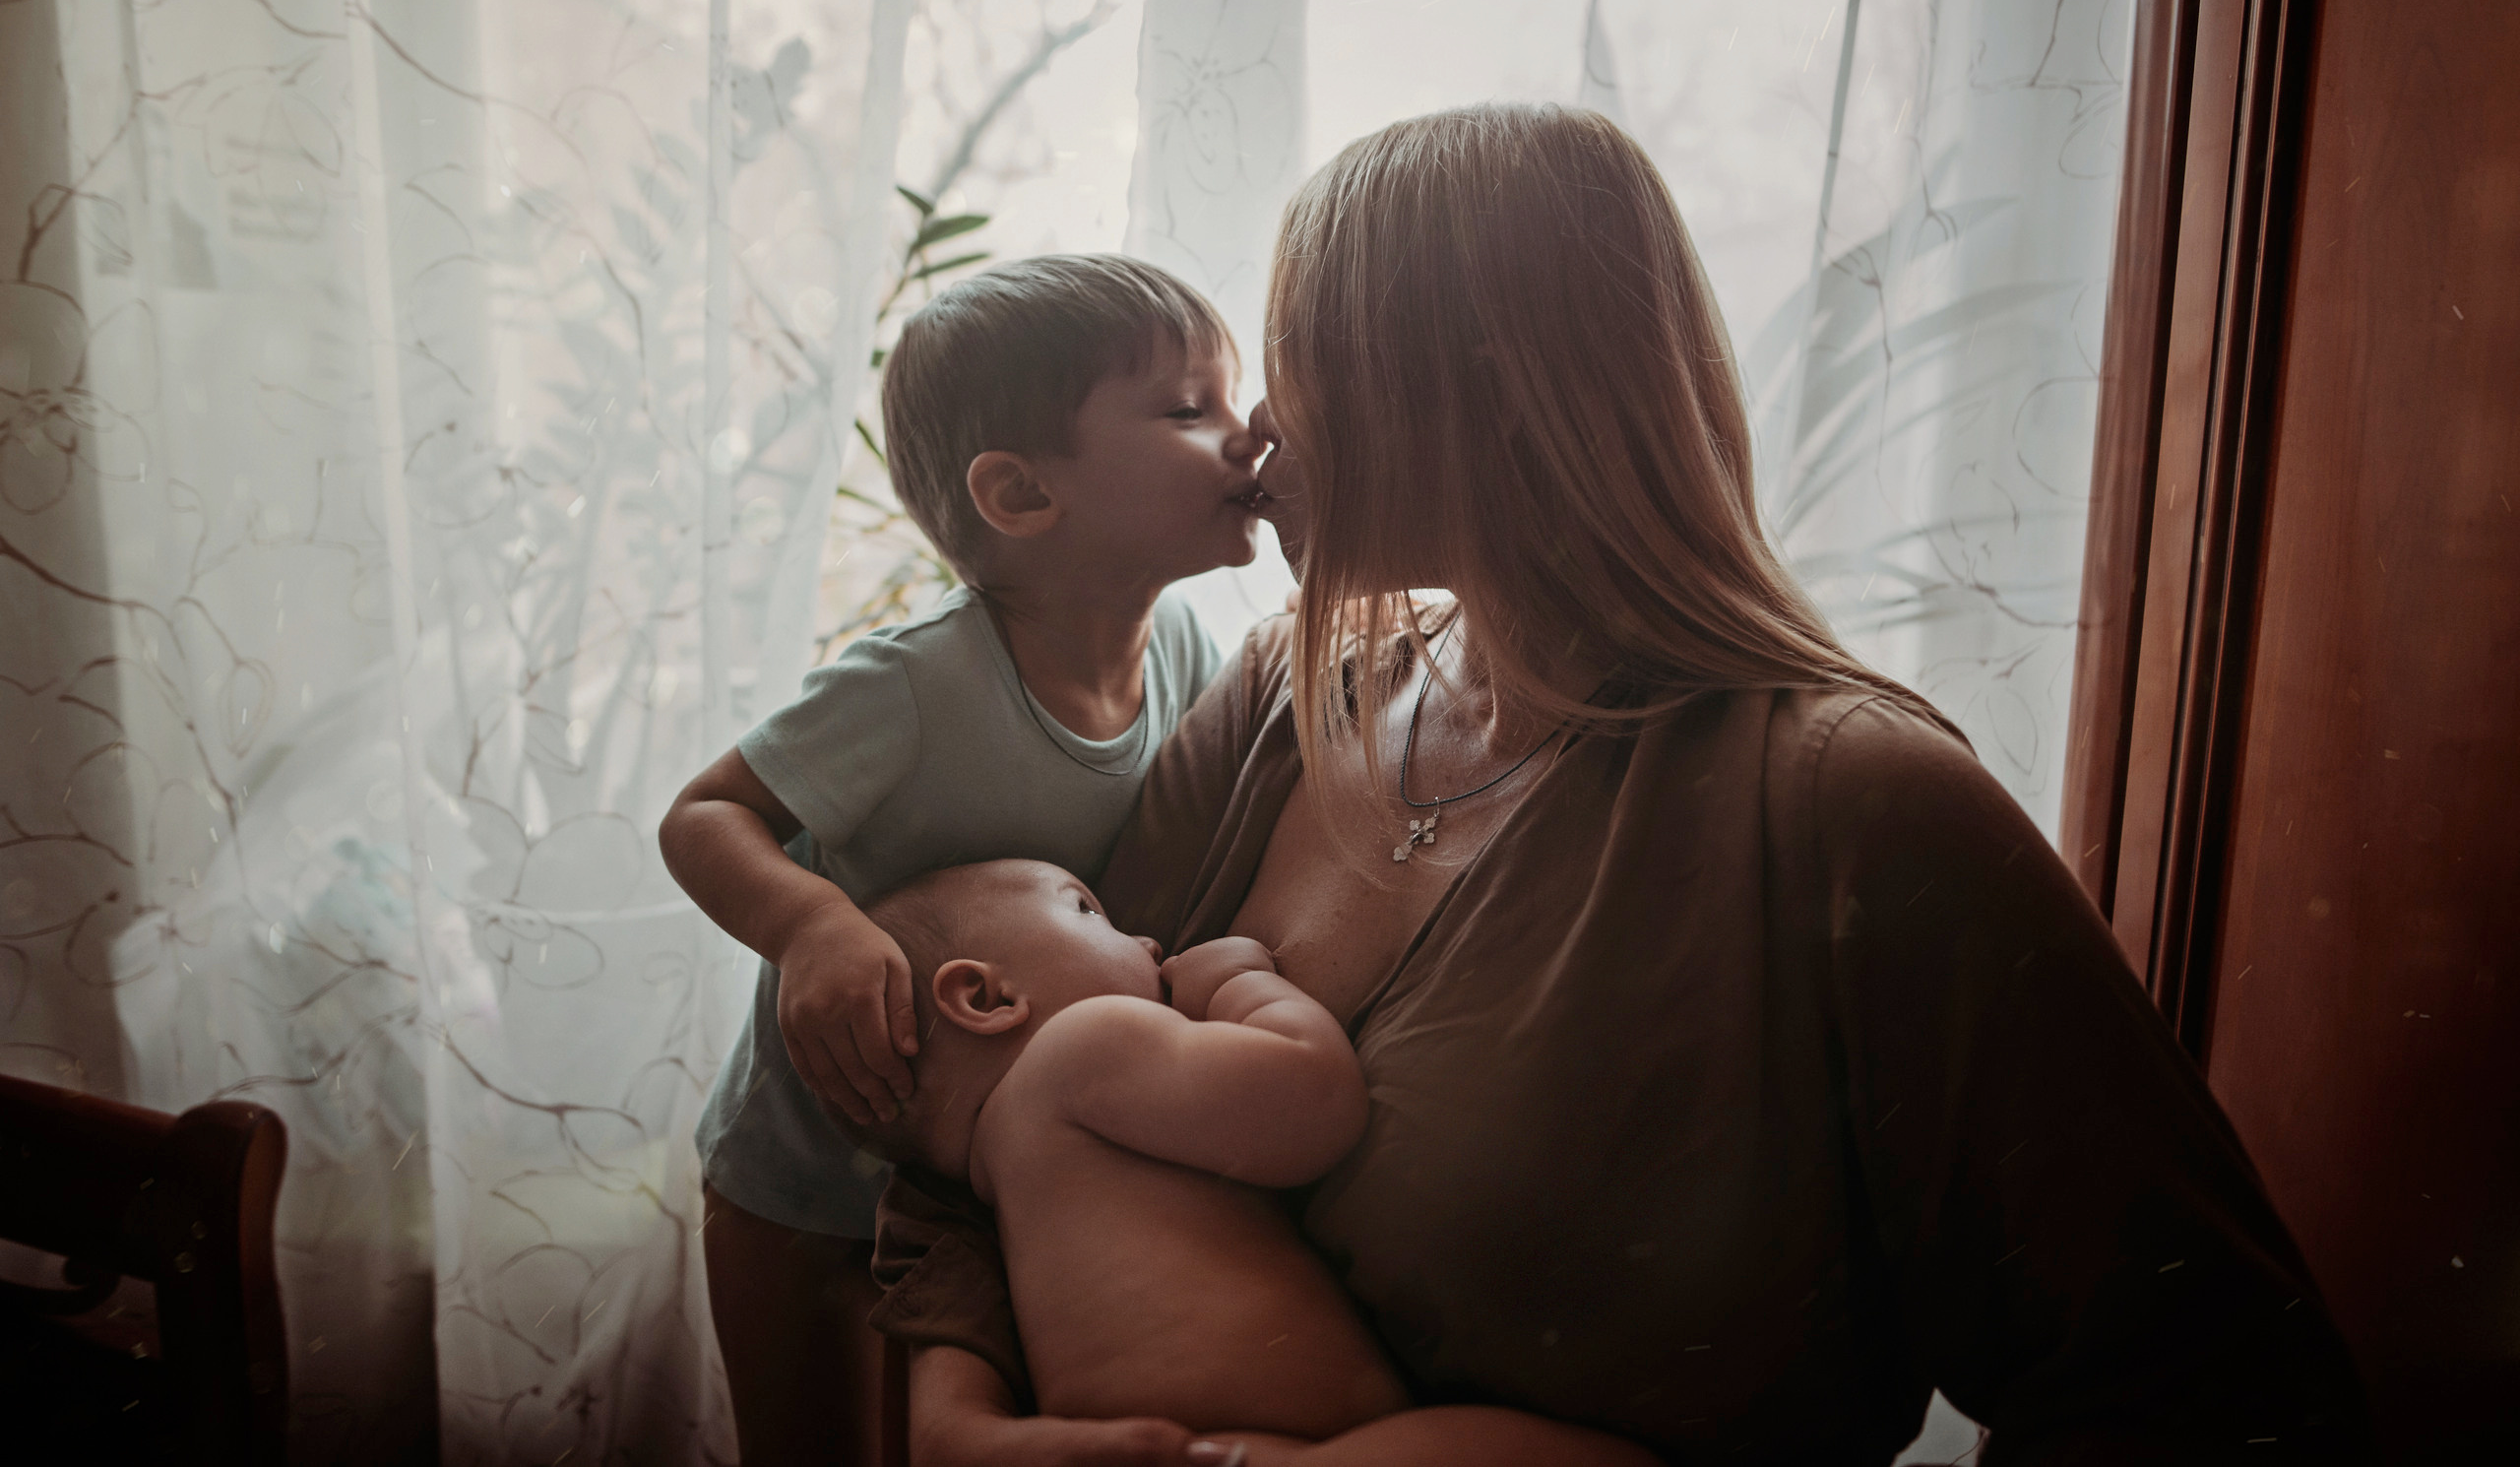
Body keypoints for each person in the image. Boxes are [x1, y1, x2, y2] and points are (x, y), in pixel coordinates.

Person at [869, 104, 2375, 1465]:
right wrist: (960, 1420)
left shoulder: (1854, 810)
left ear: (1487, 399)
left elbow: (2214, 1397)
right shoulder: (1279, 702)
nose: (1256, 435)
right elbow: (1009, 1071)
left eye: (1297, 366)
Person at [658, 253, 1267, 1464]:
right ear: (1021, 493)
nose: (1247, 438)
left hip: (984, 1191)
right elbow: (703, 815)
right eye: (1190, 409)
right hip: (800, 1178)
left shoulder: (1193, 655)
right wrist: (810, 924)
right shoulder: (917, 681)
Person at [826, 857, 1664, 1466]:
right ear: (987, 998)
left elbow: (946, 1430)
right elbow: (1313, 1103)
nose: (1148, 937)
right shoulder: (1082, 1047)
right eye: (1089, 911)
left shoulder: (965, 1199)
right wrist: (1241, 984)